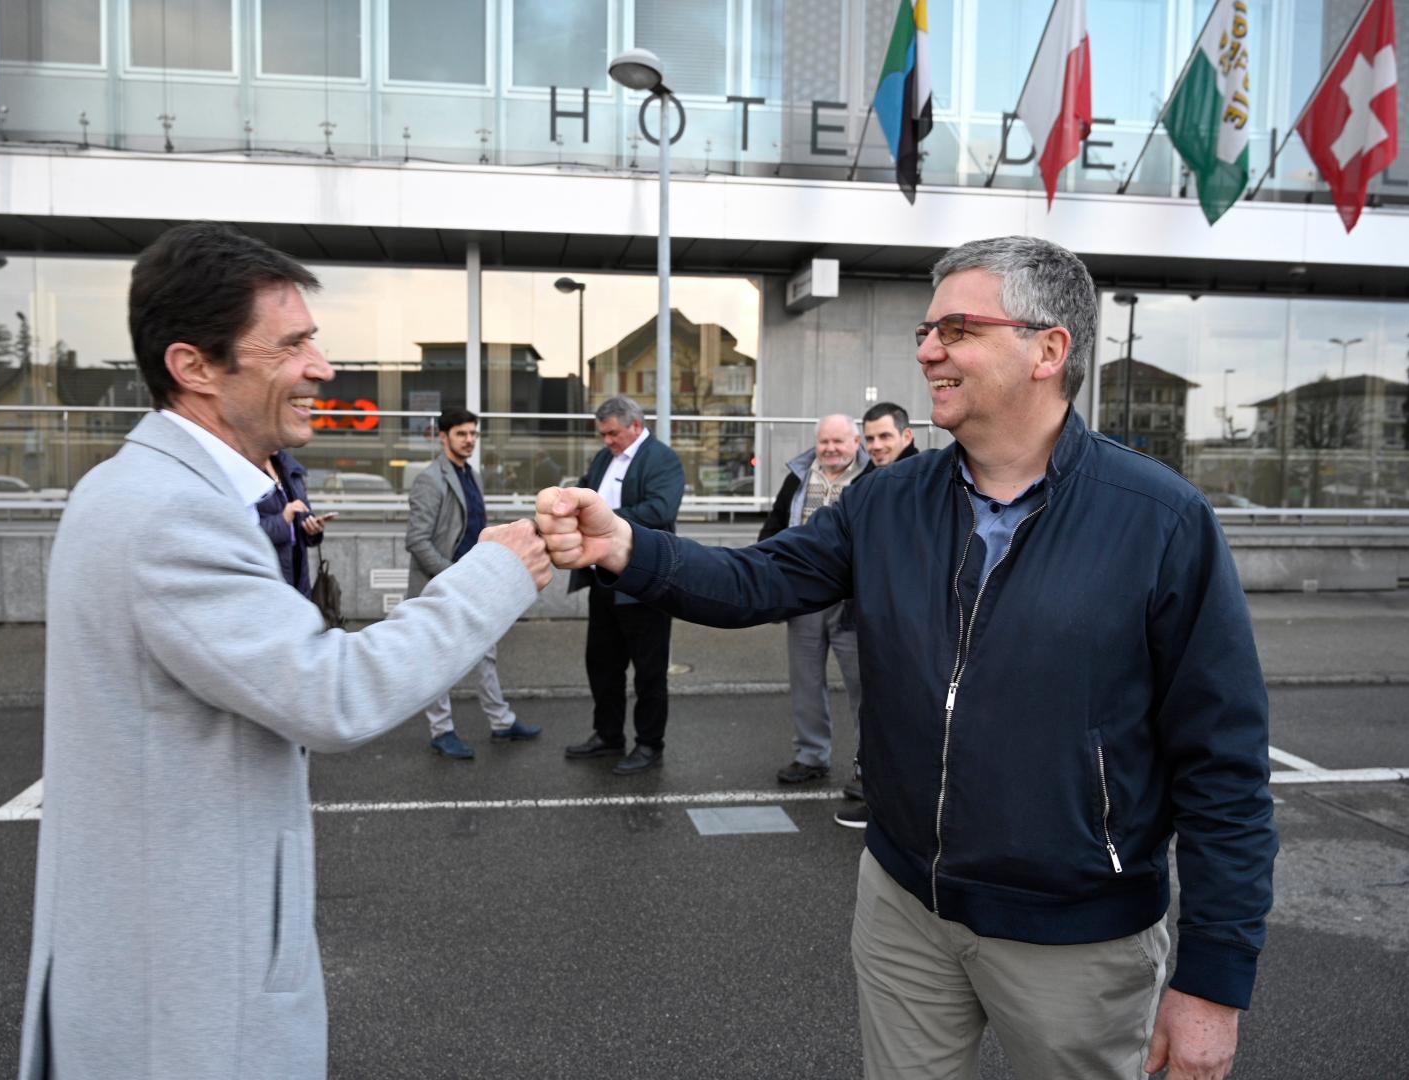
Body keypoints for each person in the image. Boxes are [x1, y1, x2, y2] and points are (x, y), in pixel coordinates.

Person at [537, 235, 1276, 1080]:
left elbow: (1224, 766)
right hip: (904, 909)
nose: (928, 349)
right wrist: (629, 545)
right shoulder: (886, 500)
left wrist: (1214, 981)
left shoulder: (1160, 520)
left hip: (1079, 936)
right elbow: (758, 580)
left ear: (1049, 349)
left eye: (957, 328)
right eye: (927, 330)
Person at [17, 221, 552, 1080]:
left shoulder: (156, 489)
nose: (323, 366)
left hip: (162, 963)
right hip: (185, 1002)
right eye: (294, 344)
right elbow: (334, 692)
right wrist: (502, 568)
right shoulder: (168, 513)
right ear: (195, 367)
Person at [407, 406, 541, 758]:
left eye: (473, 434)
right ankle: (441, 730)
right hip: (444, 582)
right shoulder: (430, 480)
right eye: (461, 434)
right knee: (438, 658)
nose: (469, 441)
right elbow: (417, 539)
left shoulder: (472, 475)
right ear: (443, 436)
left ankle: (501, 722)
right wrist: (452, 574)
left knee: (486, 654)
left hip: (474, 580)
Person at [562, 394, 685, 775]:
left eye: (613, 433)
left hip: (644, 581)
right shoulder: (605, 458)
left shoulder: (661, 459)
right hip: (603, 578)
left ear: (635, 425)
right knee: (602, 664)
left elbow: (660, 510)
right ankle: (608, 735)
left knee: (649, 670)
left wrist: (605, 519)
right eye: (603, 434)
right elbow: (584, 491)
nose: (608, 441)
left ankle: (649, 744)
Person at [757, 414, 867, 789]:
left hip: (854, 601)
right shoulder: (799, 478)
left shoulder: (872, 479)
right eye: (824, 442)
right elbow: (773, 527)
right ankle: (811, 756)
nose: (831, 449)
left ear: (857, 443)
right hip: (803, 597)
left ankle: (868, 766)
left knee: (864, 686)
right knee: (805, 681)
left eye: (839, 442)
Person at [835, 401, 920, 828]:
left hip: (906, 622)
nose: (876, 445)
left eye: (885, 436)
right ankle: (872, 784)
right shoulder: (866, 482)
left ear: (907, 436)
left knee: (897, 709)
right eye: (869, 439)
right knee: (870, 705)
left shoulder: (926, 481)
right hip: (865, 613)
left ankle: (884, 802)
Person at [254, 449, 328, 597]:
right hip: (268, 575)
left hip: (298, 570)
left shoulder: (288, 468)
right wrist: (283, 519)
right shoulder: (247, 471)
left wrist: (312, 527)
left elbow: (304, 511)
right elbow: (245, 533)